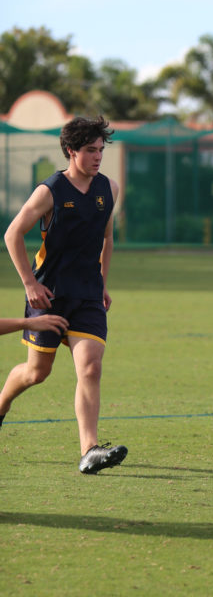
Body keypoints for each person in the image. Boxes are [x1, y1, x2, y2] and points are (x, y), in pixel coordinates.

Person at [0, 115, 128, 475]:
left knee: (90, 366)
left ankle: (89, 449)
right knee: (36, 373)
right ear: (71, 151)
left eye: (101, 150)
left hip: (88, 296)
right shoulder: (50, 190)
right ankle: (1, 404)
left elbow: (106, 239)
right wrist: (29, 284)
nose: (98, 156)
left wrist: (103, 283)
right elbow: (12, 235)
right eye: (90, 150)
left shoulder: (110, 189)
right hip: (49, 297)